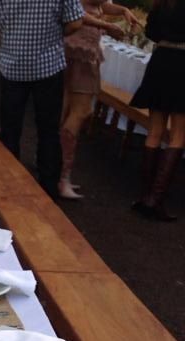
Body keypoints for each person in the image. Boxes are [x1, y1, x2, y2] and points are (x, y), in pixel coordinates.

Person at [0, 0, 84, 199]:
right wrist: (53, 35)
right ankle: (48, 189)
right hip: (48, 66)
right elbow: (75, 22)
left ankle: (6, 185)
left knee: (10, 130)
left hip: (12, 66)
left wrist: (12, 36)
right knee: (48, 131)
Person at [59, 3, 143, 199]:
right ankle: (62, 176)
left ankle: (55, 169)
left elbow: (97, 4)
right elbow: (77, 10)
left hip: (78, 48)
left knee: (68, 110)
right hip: (81, 52)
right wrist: (106, 25)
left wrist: (122, 10)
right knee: (79, 112)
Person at [131, 0, 185, 221]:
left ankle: (146, 196)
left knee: (154, 131)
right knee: (178, 134)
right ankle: (155, 199)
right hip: (183, 64)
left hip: (160, 61)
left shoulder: (162, 3)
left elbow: (151, 31)